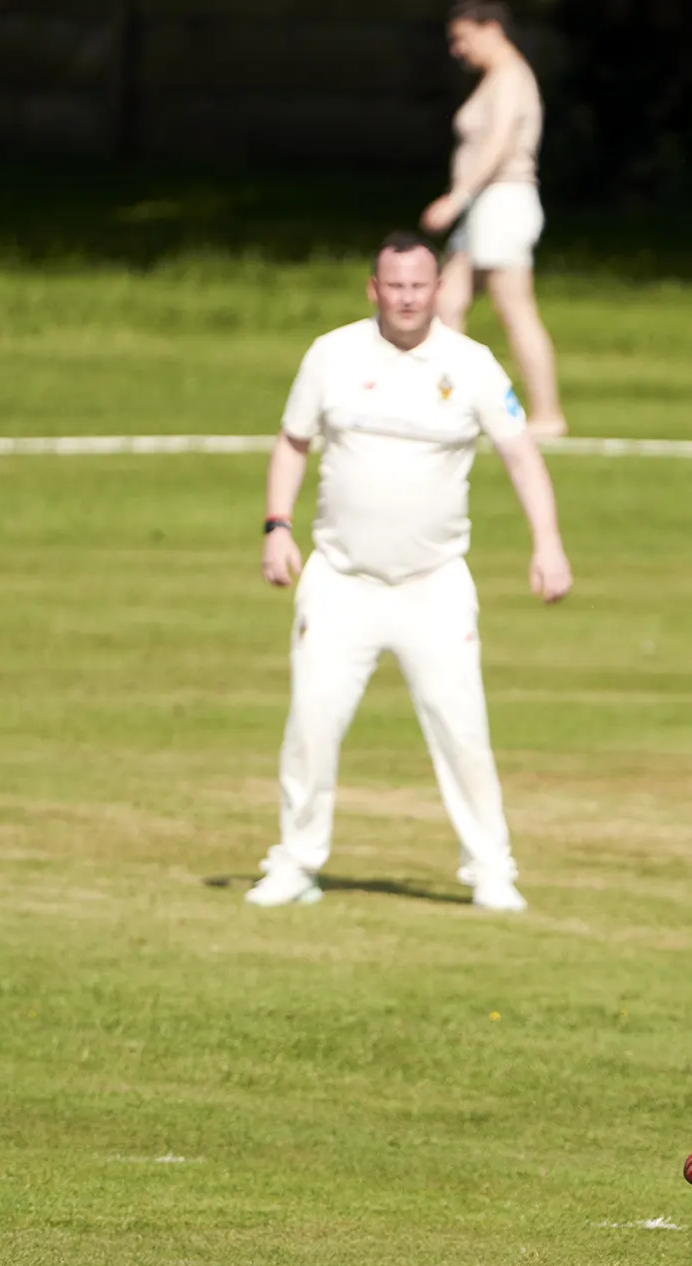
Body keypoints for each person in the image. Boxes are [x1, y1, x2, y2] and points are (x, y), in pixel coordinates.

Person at [247, 232, 572, 915]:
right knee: (311, 724)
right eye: (393, 285)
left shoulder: (471, 363)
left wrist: (548, 543)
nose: (405, 297)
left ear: (438, 290)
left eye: (418, 285)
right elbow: (293, 441)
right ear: (374, 288)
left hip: (434, 583)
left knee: (463, 730)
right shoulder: (331, 355)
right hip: (341, 578)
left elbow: (520, 456)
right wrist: (277, 525)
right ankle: (295, 862)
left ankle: (490, 869)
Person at [421, 0, 565, 439]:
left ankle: (547, 414)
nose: (457, 49)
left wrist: (455, 198)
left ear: (492, 29)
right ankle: (450, 405)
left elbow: (499, 144)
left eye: (463, 37)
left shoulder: (510, 77)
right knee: (447, 302)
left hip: (503, 202)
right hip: (482, 208)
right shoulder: (494, 79)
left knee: (515, 307)